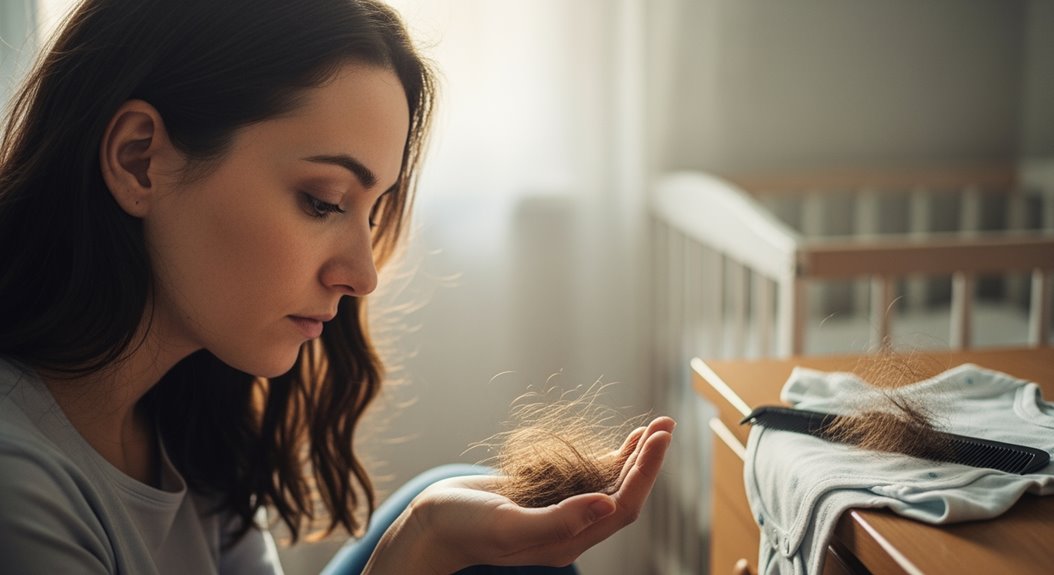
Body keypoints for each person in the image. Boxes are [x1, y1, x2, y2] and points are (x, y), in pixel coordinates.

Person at [0, 0, 674, 573]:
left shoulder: (186, 409)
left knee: (462, 506)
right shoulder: (19, 485)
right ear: (138, 159)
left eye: (373, 211)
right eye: (323, 201)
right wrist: (417, 546)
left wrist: (430, 528)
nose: (363, 274)